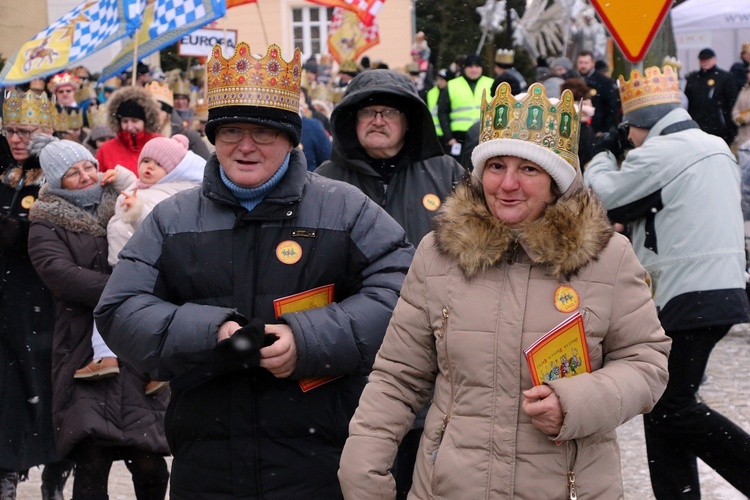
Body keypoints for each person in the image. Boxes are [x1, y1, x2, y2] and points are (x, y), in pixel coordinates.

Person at [94, 41, 414, 499]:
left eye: (263, 132)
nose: (245, 146)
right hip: (206, 463)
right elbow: (121, 309)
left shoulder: (344, 208)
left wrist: (308, 339)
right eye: (230, 132)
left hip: (319, 457)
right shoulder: (171, 219)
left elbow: (400, 291)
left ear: (290, 139)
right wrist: (211, 333)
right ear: (212, 138)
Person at [338, 82, 671, 498]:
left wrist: (578, 402)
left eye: (528, 169)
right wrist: (362, 465)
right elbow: (398, 376)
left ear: (556, 181)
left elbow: (647, 363)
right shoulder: (439, 254)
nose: (508, 184)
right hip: (450, 487)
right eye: (496, 167)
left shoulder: (608, 257)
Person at [584, 65, 750, 499]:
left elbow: (603, 198)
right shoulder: (713, 145)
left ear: (641, 125)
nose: (630, 141)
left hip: (685, 293)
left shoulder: (662, 152)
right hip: (722, 288)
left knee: (673, 405)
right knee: (661, 405)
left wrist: (603, 151)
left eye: (631, 132)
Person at [27, 135, 170, 500]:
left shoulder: (126, 202)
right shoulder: (45, 221)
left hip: (136, 340)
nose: (87, 176)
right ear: (57, 183)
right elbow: (58, 272)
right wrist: (122, 288)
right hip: (81, 347)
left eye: (89, 166)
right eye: (73, 173)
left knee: (149, 458)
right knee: (92, 455)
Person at [0, 90, 72, 500]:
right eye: (11, 130)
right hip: (8, 300)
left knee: (49, 386)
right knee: (10, 390)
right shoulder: (4, 173)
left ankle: (55, 472)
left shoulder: (59, 174)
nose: (16, 138)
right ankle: (8, 470)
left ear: (45, 131)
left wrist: (25, 232)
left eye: (25, 131)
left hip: (47, 300)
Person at [438, 53, 494, 159]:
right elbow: (442, 112)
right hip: (459, 137)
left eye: (477, 66)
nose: (474, 70)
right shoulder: (452, 85)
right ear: (464, 68)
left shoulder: (491, 83)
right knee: (460, 170)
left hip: (484, 134)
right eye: (470, 66)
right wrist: (449, 138)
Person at [96, 85, 162, 175]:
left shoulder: (160, 144)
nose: (130, 127)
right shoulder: (106, 150)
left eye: (135, 121)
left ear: (146, 121)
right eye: (125, 121)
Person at [684, 47, 739, 146]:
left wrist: (731, 127)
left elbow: (732, 102)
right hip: (698, 125)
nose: (705, 62)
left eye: (707, 59)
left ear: (714, 59)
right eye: (702, 59)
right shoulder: (693, 79)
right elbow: (688, 102)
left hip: (719, 126)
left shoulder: (725, 77)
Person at [145, 81, 211, 160]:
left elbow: (204, 165)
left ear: (168, 113)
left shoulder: (187, 135)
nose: (155, 114)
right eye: (150, 110)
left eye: (161, 109)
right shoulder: (136, 134)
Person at [576, 50, 620, 136]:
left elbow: (612, 107)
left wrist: (604, 130)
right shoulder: (574, 81)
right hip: (579, 130)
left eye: (586, 63)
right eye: (581, 63)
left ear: (592, 63)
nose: (583, 66)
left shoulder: (604, 82)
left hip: (597, 130)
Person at [732, 66, 750, 149]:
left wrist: (744, 119)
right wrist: (737, 118)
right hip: (743, 137)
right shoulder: (744, 90)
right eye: (748, 72)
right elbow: (736, 108)